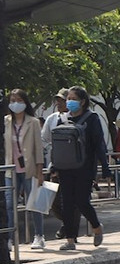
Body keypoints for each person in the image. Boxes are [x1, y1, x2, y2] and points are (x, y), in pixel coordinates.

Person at [54, 86, 111, 251]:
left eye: (73, 98)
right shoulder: (63, 120)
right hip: (65, 167)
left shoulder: (92, 118)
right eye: (68, 98)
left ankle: (96, 226)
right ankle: (70, 240)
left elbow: (99, 145)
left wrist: (105, 168)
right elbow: (57, 146)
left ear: (83, 101)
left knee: (82, 201)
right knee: (67, 204)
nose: (69, 102)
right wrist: (54, 165)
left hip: (85, 167)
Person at [4, 88, 46, 250]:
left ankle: (39, 236)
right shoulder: (6, 121)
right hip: (11, 170)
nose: (16, 104)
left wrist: (40, 171)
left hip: (29, 169)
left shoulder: (33, 122)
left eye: (19, 100)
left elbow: (38, 149)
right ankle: (10, 238)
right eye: (13, 100)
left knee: (34, 203)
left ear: (25, 102)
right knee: (9, 205)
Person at [41, 88, 80, 240]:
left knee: (72, 201)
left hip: (74, 166)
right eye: (57, 100)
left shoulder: (78, 118)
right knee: (54, 202)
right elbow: (44, 139)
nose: (59, 103)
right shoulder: (51, 119)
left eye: (62, 100)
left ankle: (71, 232)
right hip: (56, 165)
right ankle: (67, 223)